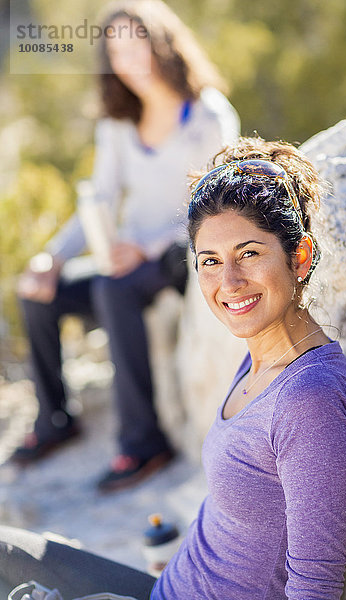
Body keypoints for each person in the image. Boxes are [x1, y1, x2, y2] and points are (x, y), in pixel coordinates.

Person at [0, 136, 346, 598]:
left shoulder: (310, 400)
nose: (229, 282)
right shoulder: (260, 358)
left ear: (300, 257)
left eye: (249, 253)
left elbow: (314, 586)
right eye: (210, 261)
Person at [12, 0, 240, 491]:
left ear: (162, 43)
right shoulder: (117, 122)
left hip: (183, 253)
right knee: (36, 294)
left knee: (113, 289)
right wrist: (51, 257)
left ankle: (143, 443)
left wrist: (147, 246)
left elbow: (218, 205)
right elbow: (98, 197)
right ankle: (55, 420)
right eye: (116, 51)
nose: (128, 59)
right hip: (126, 259)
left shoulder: (206, 114)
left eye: (136, 44)